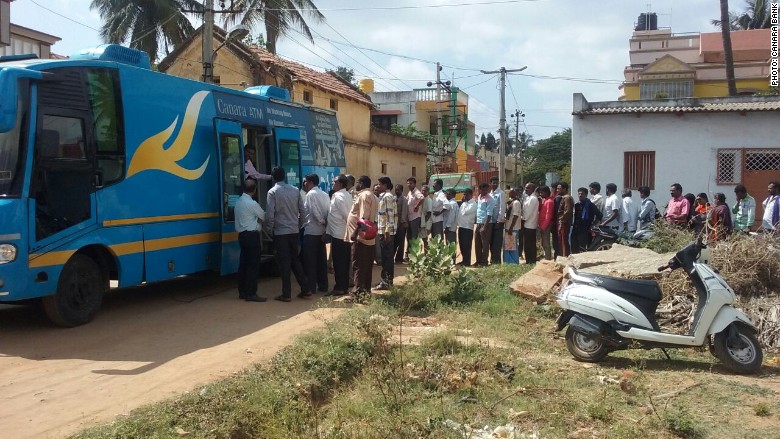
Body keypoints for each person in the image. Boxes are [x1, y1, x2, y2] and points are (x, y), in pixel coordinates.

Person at [266, 166, 309, 302]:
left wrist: (269, 229)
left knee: (284, 263)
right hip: (293, 231)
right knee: (295, 260)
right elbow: (303, 211)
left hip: (280, 232)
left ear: (273, 177)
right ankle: (305, 289)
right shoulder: (295, 190)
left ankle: (286, 294)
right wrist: (299, 225)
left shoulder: (272, 192)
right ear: (284, 176)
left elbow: (270, 214)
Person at [234, 179, 267, 302]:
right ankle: (251, 293)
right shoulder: (252, 204)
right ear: (254, 190)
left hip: (242, 236)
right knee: (253, 265)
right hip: (252, 236)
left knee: (243, 264)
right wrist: (257, 221)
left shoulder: (238, 202)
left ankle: (242, 291)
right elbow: (263, 216)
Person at [345, 175, 378, 296]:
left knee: (358, 265)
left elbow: (364, 217)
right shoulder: (372, 196)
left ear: (362, 184)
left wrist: (355, 232)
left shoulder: (364, 196)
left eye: (358, 182)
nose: (356, 185)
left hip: (361, 238)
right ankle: (365, 291)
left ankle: (357, 293)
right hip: (368, 238)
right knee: (366, 266)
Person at [301, 173, 330, 295]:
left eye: (306, 182)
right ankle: (323, 285)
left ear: (311, 182)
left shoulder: (311, 194)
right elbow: (329, 210)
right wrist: (326, 225)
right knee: (321, 261)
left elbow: (314, 212)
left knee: (310, 261)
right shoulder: (324, 194)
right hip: (322, 232)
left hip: (312, 231)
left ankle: (311, 286)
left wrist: (322, 222)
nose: (304, 184)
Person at [326, 175, 352, 296]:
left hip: (339, 234)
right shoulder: (347, 195)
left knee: (339, 262)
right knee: (344, 262)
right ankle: (344, 286)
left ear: (341, 184)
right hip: (342, 233)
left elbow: (346, 216)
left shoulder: (339, 196)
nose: (333, 183)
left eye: (335, 182)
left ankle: (340, 287)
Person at [374, 177, 397, 291]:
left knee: (387, 258)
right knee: (386, 257)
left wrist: (387, 231)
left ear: (385, 185)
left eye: (379, 184)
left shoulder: (387, 197)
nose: (378, 186)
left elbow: (390, 215)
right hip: (384, 231)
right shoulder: (384, 196)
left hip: (386, 232)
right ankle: (387, 281)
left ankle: (385, 282)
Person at [572, 187, 603, 253]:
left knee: (582, 248)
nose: (580, 195)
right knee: (574, 247)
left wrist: (593, 224)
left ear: (586, 195)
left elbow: (599, 215)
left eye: (582, 194)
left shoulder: (590, 205)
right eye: (579, 194)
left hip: (585, 230)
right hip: (575, 229)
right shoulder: (577, 205)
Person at [474, 182, 495, 266]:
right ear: (480, 189)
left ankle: (484, 262)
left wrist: (485, 227)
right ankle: (478, 260)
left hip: (486, 223)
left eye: (486, 188)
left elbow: (489, 214)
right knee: (477, 242)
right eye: (482, 188)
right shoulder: (479, 197)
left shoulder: (490, 199)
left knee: (485, 243)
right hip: (479, 222)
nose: (484, 190)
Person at [405, 177, 424, 260]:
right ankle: (409, 255)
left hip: (415, 218)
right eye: (408, 183)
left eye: (411, 183)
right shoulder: (410, 192)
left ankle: (416, 255)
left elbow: (422, 198)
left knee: (414, 238)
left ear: (414, 184)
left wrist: (417, 206)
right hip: (409, 218)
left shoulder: (416, 192)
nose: (409, 185)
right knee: (409, 237)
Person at [457, 188, 477, 266]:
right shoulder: (464, 203)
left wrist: (464, 202)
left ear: (471, 195)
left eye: (466, 194)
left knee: (467, 245)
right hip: (461, 227)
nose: (464, 196)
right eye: (464, 194)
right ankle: (463, 260)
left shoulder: (473, 204)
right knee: (462, 245)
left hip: (468, 228)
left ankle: (467, 261)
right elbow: (460, 213)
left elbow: (464, 212)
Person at [521, 183, 539, 264]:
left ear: (532, 189)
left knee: (529, 244)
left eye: (528, 188)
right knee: (527, 244)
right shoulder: (528, 198)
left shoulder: (533, 199)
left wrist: (523, 220)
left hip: (530, 224)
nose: (526, 190)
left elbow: (528, 213)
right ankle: (529, 260)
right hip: (527, 224)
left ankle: (531, 261)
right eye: (525, 188)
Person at [489, 176, 506, 264]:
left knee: (497, 242)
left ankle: (497, 261)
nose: (495, 184)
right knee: (491, 242)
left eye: (496, 182)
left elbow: (502, 208)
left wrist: (499, 220)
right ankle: (492, 260)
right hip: (491, 222)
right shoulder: (490, 194)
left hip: (498, 222)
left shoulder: (501, 193)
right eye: (493, 182)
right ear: (490, 184)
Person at [503, 189, 522, 264]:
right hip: (508, 227)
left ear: (515, 193)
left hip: (512, 228)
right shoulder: (511, 202)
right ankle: (508, 261)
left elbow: (515, 216)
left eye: (511, 192)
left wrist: (511, 228)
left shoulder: (516, 203)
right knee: (508, 246)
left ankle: (513, 262)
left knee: (512, 247)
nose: (509, 194)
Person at [556, 182, 574, 258]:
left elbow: (568, 211)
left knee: (563, 241)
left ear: (564, 189)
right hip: (563, 222)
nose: (557, 190)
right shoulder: (564, 197)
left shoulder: (567, 198)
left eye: (559, 189)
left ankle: (565, 257)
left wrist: (561, 220)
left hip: (564, 223)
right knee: (561, 240)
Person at [538, 186, 555, 261]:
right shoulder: (545, 201)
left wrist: (543, 227)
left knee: (546, 242)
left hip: (546, 225)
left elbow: (548, 216)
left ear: (546, 192)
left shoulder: (549, 202)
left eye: (542, 192)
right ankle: (545, 256)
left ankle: (548, 258)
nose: (540, 194)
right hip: (542, 224)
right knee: (543, 242)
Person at [394, 184, 408, 263]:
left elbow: (404, 212)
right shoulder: (394, 198)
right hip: (394, 224)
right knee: (394, 242)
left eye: (398, 190)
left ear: (402, 191)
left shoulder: (404, 200)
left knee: (401, 242)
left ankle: (399, 258)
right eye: (396, 190)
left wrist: (402, 223)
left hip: (401, 224)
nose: (397, 191)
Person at [419, 184, 433, 249]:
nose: (423, 192)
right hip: (422, 223)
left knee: (425, 240)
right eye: (422, 191)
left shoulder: (429, 200)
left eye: (425, 191)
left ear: (428, 192)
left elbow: (429, 213)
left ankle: (426, 254)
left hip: (426, 224)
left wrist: (423, 223)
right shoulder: (421, 199)